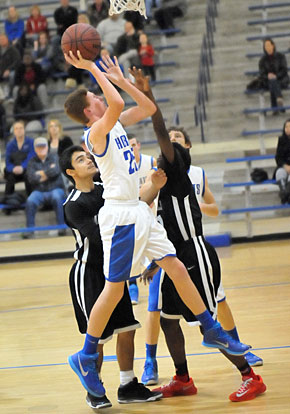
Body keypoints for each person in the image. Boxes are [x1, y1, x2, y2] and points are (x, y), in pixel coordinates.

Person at [62, 51, 249, 399]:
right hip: (120, 216)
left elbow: (147, 108)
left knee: (175, 265)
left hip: (139, 210)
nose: (100, 97)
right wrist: (92, 68)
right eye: (94, 98)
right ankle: (87, 355)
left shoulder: (114, 122)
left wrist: (122, 79)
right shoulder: (95, 134)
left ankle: (209, 327)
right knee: (115, 288)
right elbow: (115, 103)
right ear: (89, 112)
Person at [132, 70, 266, 402]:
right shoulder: (163, 183)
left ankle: (251, 377)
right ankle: (182, 379)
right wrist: (153, 263)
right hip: (172, 259)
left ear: (176, 161)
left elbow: (161, 132)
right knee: (167, 320)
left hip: (195, 258)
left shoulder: (178, 177)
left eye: (168, 151)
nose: (162, 152)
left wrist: (149, 99)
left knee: (211, 328)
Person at [59, 144, 166, 408]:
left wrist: (155, 184)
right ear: (71, 171)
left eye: (88, 156)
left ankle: (127, 385)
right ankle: (94, 391)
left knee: (126, 330)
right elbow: (97, 241)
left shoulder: (107, 189)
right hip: (89, 273)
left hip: (114, 271)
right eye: (81, 159)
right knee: (97, 338)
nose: (88, 160)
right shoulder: (73, 205)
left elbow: (136, 205)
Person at [127, 133, 157, 304]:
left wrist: (150, 196)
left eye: (133, 145)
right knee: (132, 251)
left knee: (155, 250)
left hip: (150, 209)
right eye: (128, 146)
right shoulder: (123, 165)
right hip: (133, 211)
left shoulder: (150, 162)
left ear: (138, 145)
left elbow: (156, 183)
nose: (131, 149)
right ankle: (132, 287)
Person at [24, 137, 66, 238]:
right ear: (35, 149)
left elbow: (56, 171)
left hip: (56, 189)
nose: (41, 149)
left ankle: (61, 227)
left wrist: (41, 174)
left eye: (43, 146)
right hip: (39, 191)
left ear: (47, 147)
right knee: (30, 200)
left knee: (57, 197)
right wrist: (48, 172)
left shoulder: (54, 157)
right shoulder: (31, 162)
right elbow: (31, 178)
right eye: (39, 147)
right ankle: (30, 230)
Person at [4, 120, 35, 196]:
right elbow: (7, 161)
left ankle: (31, 199)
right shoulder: (10, 145)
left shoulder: (31, 142)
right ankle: (8, 199)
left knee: (28, 175)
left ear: (24, 130)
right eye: (16, 128)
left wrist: (23, 167)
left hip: (26, 169)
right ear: (13, 131)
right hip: (14, 170)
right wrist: (13, 169)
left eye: (21, 128)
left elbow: (31, 158)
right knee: (9, 177)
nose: (19, 130)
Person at [258, 38, 289, 113]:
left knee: (273, 82)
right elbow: (262, 74)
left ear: (273, 46)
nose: (267, 48)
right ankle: (279, 99)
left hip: (282, 79)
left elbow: (284, 70)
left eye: (269, 45)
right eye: (266, 46)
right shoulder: (262, 60)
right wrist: (268, 76)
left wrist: (276, 76)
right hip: (268, 81)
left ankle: (274, 107)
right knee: (272, 82)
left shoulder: (281, 56)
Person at [274, 118, 290, 203]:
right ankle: (284, 192)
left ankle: (286, 195)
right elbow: (278, 157)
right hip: (284, 166)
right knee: (279, 172)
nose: (287, 129)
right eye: (286, 127)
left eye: (289, 126)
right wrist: (285, 166)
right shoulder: (281, 140)